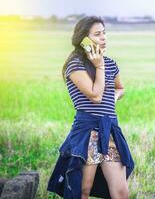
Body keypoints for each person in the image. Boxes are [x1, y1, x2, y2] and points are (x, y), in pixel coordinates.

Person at [47, 16, 134, 199]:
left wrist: (114, 98)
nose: (104, 38)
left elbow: (120, 88)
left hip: (109, 130)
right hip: (87, 132)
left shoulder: (110, 63)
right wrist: (99, 66)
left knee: (121, 192)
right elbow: (95, 96)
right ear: (83, 39)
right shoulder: (75, 65)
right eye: (97, 34)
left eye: (104, 33)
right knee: (82, 191)